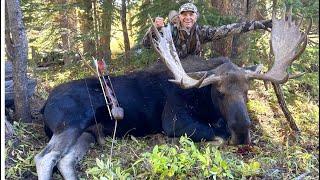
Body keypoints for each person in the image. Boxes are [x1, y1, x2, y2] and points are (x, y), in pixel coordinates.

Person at [142, 2, 272, 59]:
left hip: (192, 72)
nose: (188, 18)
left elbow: (228, 29)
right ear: (180, 17)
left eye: (191, 15)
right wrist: (154, 29)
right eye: (184, 14)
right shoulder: (168, 31)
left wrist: (258, 24)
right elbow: (146, 44)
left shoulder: (201, 32)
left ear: (196, 17)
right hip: (169, 73)